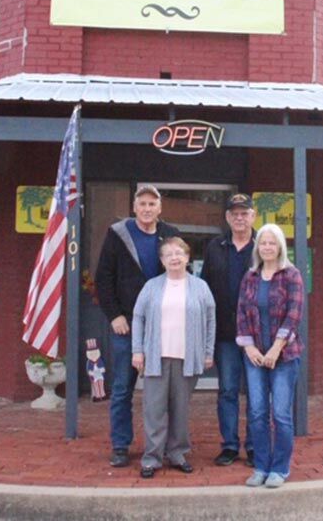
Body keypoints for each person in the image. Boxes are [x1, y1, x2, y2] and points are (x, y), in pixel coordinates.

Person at [95, 185, 179, 468]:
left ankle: (165, 446)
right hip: (126, 326)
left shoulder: (170, 233)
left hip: (163, 325)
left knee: (165, 391)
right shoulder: (118, 234)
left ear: (160, 208)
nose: (146, 209)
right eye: (142, 203)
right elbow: (103, 278)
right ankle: (120, 445)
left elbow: (181, 274)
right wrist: (114, 315)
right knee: (122, 389)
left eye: (151, 204)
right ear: (134, 207)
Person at [131, 237, 216, 478]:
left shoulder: (201, 287)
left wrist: (208, 352)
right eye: (168, 254)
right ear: (162, 260)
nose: (174, 258)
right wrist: (138, 350)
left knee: (180, 409)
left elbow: (211, 321)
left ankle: (177, 453)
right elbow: (138, 317)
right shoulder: (151, 286)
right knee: (154, 410)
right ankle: (152, 457)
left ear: (188, 258)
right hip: (156, 358)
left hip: (187, 358)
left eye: (179, 253)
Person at [235, 223, 305, 488]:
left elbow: (294, 314)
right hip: (254, 357)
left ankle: (280, 468)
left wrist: (276, 348)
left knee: (281, 414)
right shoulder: (250, 277)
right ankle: (261, 466)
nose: (266, 247)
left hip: (284, 357)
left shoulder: (292, 275)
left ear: (280, 247)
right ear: (257, 247)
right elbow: (241, 313)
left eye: (271, 243)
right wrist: (250, 347)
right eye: (262, 243)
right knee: (256, 412)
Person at [201, 193, 256, 467]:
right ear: (227, 217)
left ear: (253, 216)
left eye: (244, 212)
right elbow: (204, 288)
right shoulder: (215, 247)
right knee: (228, 391)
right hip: (225, 334)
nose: (239, 217)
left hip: (258, 336)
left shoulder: (264, 246)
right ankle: (230, 446)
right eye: (234, 213)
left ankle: (255, 446)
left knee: (257, 392)